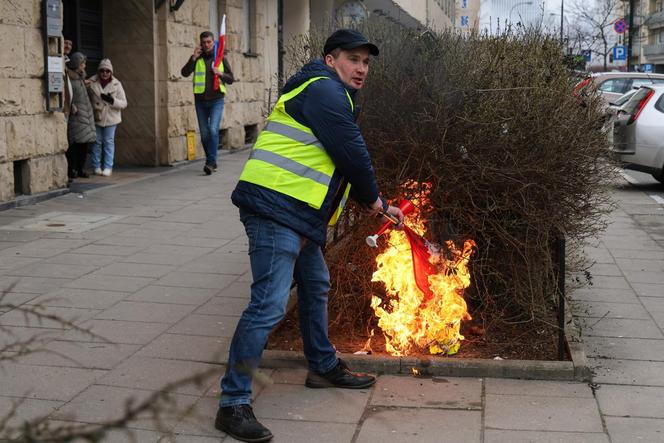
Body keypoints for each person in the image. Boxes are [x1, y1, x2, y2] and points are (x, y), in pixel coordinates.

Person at [215, 29, 404, 443]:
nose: (361, 69)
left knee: (316, 284)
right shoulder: (323, 91)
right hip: (273, 209)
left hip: (294, 213)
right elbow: (351, 151)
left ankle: (321, 366)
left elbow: (334, 164)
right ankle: (232, 403)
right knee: (267, 306)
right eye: (353, 59)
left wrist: (378, 203)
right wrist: (373, 198)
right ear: (331, 59)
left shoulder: (331, 94)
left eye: (366, 62)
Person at [180, 31, 234, 175]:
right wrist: (193, 58)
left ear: (213, 42)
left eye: (209, 42)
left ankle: (210, 162)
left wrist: (220, 73)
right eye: (204, 42)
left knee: (212, 130)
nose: (206, 45)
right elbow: (184, 73)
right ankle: (212, 161)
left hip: (217, 100)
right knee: (204, 134)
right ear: (200, 43)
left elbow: (231, 79)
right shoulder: (197, 58)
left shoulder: (220, 57)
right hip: (200, 101)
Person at [87, 59, 127, 177]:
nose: (105, 73)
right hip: (97, 116)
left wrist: (112, 100)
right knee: (96, 142)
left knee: (109, 142)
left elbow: (124, 103)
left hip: (111, 117)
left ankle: (108, 167)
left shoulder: (117, 84)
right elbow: (86, 98)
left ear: (111, 72)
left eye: (108, 71)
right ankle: (96, 166)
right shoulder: (91, 82)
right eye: (102, 70)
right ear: (99, 71)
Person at [65, 51, 96, 182]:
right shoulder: (70, 79)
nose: (84, 66)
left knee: (84, 145)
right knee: (75, 145)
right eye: (83, 63)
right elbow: (67, 95)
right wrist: (71, 106)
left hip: (86, 114)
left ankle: (81, 168)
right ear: (77, 64)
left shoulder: (82, 78)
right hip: (76, 115)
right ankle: (73, 169)